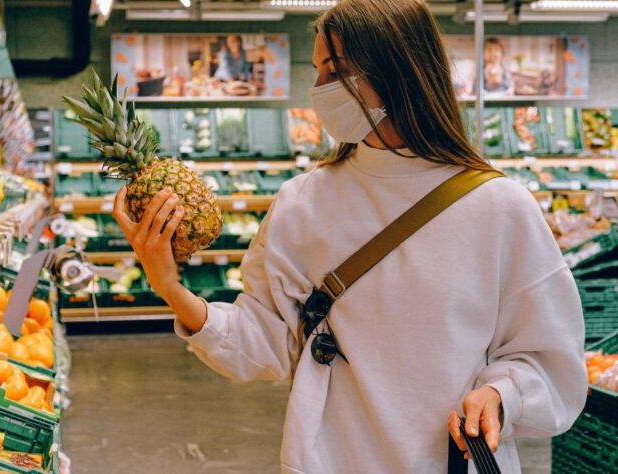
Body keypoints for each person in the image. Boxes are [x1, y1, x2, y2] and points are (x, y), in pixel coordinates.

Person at [111, 0, 587, 472]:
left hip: (452, 462)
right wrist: (170, 288)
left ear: (396, 72)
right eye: (318, 70)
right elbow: (262, 343)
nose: (318, 90)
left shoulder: (498, 208)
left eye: (334, 71)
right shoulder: (304, 202)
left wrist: (501, 395)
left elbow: (549, 359)